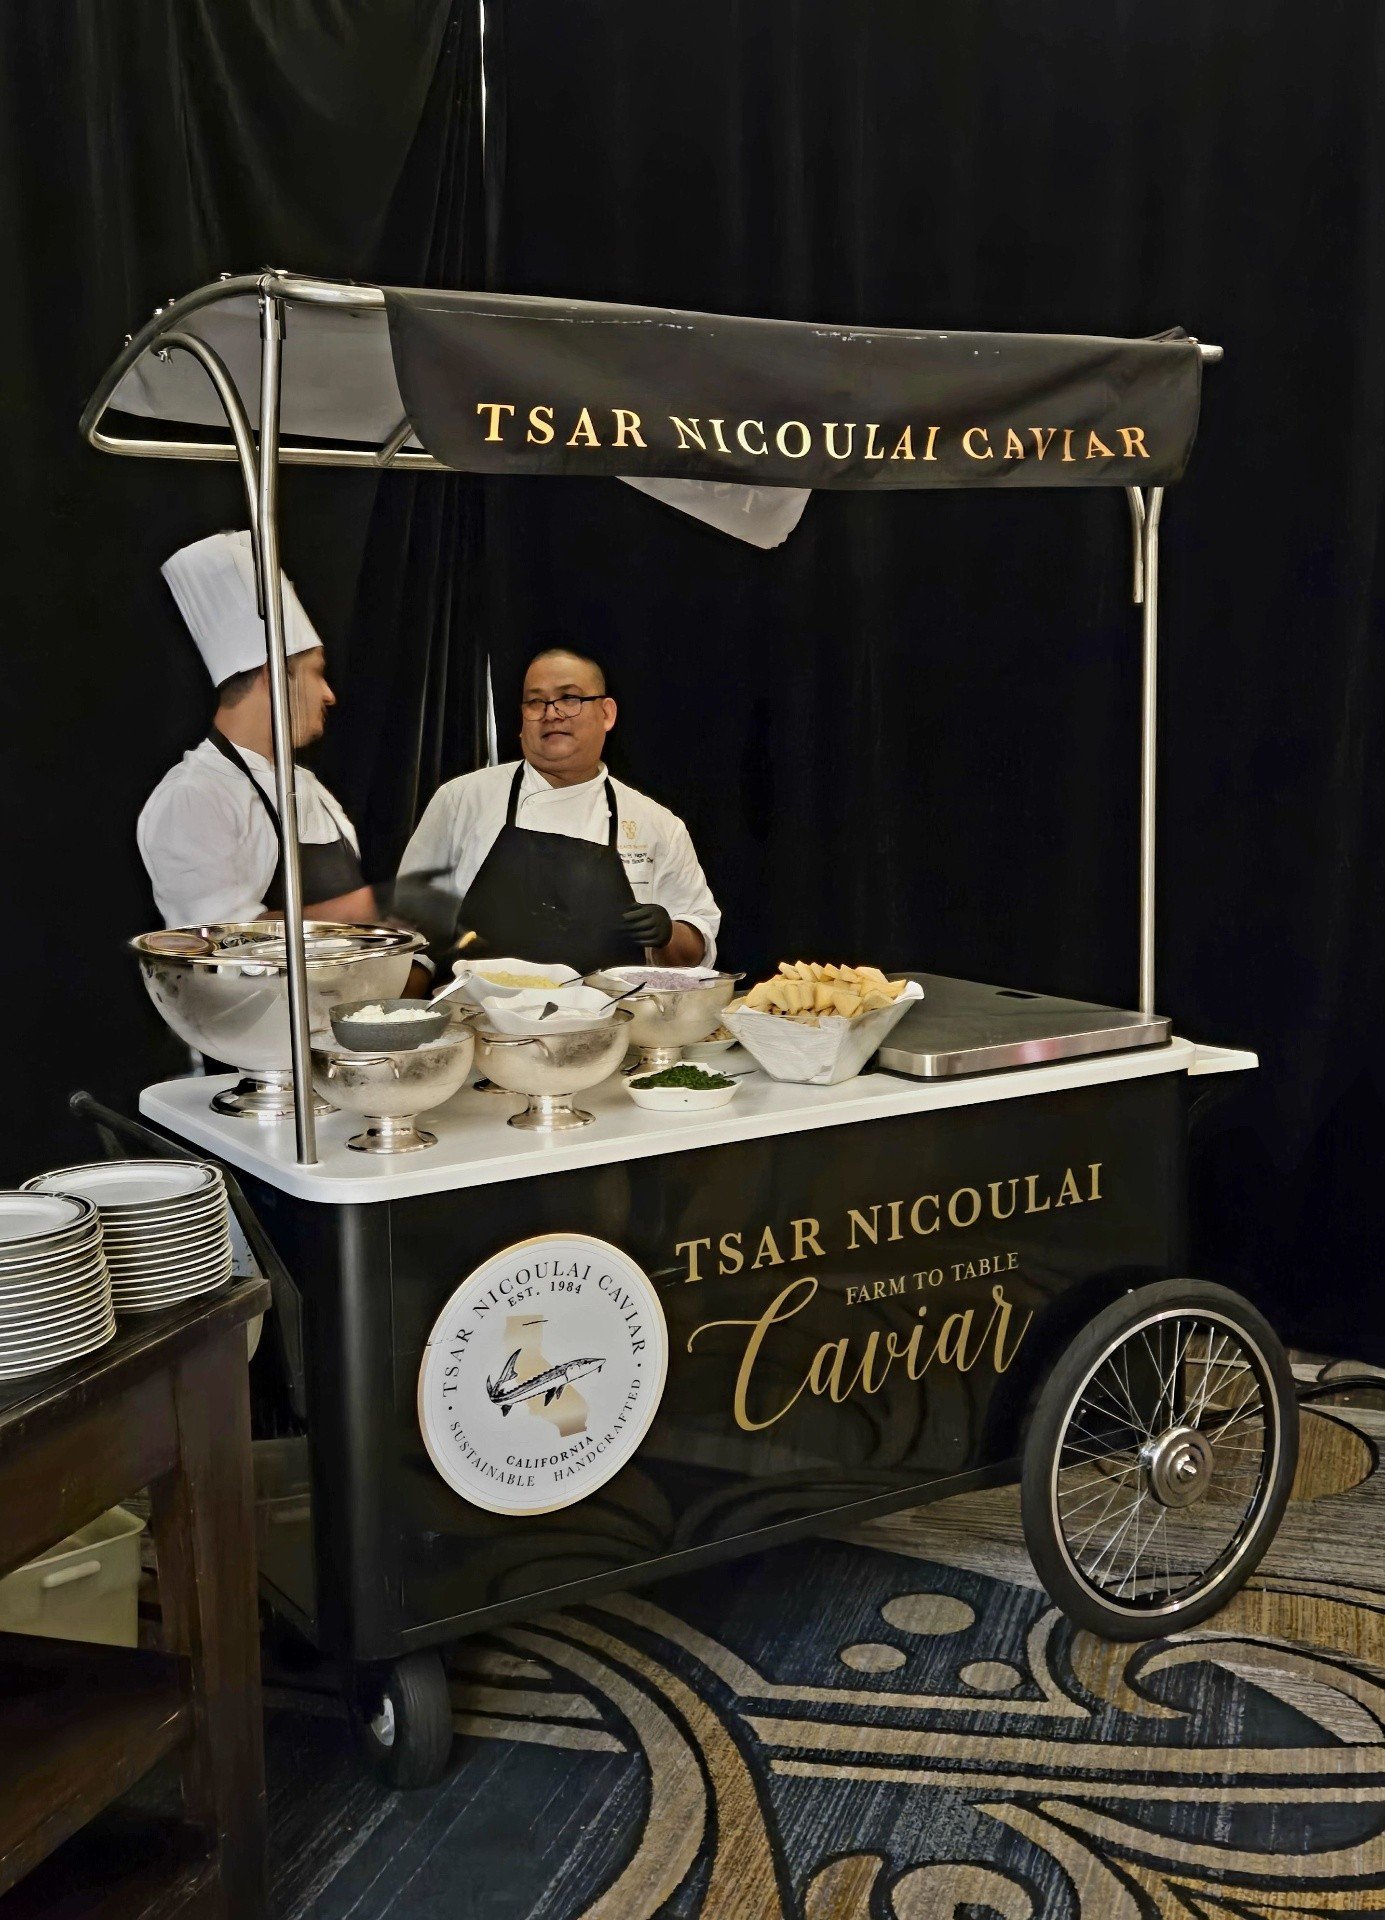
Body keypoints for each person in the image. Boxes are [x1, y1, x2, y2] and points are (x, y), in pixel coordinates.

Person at [398, 646, 720, 975]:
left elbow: (697, 948)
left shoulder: (657, 824)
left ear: (606, 714)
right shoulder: (461, 800)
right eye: (535, 702)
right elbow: (409, 935)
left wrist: (668, 933)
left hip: (611, 1006)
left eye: (569, 698)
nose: (551, 713)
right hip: (473, 1004)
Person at [138, 530, 377, 929]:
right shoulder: (194, 797)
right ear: (275, 678)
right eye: (317, 673)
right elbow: (220, 944)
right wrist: (363, 911)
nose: (329, 694)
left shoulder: (311, 789)